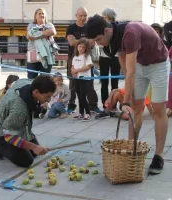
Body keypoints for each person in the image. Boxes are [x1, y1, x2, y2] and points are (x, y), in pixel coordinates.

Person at [86, 15, 170, 174]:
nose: (98, 43)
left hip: (158, 63)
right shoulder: (112, 39)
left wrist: (124, 102)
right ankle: (131, 149)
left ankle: (159, 156)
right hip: (139, 64)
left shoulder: (130, 33)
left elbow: (131, 72)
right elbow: (126, 70)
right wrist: (130, 100)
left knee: (158, 110)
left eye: (98, 39)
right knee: (135, 107)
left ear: (106, 30)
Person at [0, 75, 56, 167]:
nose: (49, 100)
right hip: (2, 130)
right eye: (47, 96)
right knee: (26, 160)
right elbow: (9, 136)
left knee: (35, 152)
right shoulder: (19, 111)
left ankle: (20, 142)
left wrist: (34, 148)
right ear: (36, 92)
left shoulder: (28, 83)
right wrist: (34, 146)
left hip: (14, 122)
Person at [66, 7, 100, 114]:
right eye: (81, 15)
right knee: (73, 83)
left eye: (85, 15)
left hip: (87, 58)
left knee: (89, 83)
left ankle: (93, 105)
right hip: (73, 57)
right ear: (76, 15)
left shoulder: (89, 28)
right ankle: (71, 105)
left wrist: (78, 41)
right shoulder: (71, 27)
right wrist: (85, 42)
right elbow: (71, 42)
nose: (83, 18)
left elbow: (93, 42)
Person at [100, 8, 121, 111]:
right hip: (104, 57)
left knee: (114, 82)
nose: (104, 19)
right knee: (104, 82)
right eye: (103, 17)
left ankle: (114, 105)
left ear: (110, 18)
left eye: (105, 17)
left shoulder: (116, 27)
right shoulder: (101, 27)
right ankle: (105, 105)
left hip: (116, 56)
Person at [26, 8, 57, 78]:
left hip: (47, 54)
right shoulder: (31, 25)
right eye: (39, 13)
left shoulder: (49, 25)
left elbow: (53, 32)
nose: (41, 15)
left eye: (43, 13)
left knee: (45, 79)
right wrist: (45, 34)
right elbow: (29, 36)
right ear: (35, 16)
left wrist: (36, 34)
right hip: (33, 53)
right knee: (31, 77)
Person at [71, 38, 93, 122]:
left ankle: (88, 113)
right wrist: (73, 72)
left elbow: (88, 67)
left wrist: (77, 70)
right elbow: (72, 68)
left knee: (83, 96)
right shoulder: (75, 57)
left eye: (83, 47)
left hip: (85, 79)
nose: (81, 48)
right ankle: (81, 113)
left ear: (86, 48)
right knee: (79, 96)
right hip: (77, 79)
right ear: (77, 47)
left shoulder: (87, 56)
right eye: (79, 46)